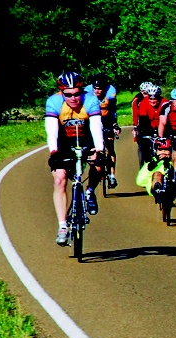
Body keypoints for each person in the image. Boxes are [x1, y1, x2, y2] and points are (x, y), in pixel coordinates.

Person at [45, 71, 104, 244]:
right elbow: (52, 131)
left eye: (77, 93)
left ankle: (90, 190)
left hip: (87, 137)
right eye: (68, 94)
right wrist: (54, 152)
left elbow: (96, 128)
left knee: (99, 165)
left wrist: (99, 149)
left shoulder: (91, 100)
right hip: (64, 141)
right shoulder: (54, 102)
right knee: (59, 179)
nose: (73, 98)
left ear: (82, 91)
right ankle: (62, 225)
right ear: (62, 93)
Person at [86, 73, 119, 188]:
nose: (97, 91)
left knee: (110, 148)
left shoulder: (111, 91)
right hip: (93, 120)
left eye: (100, 89)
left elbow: (113, 109)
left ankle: (112, 175)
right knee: (92, 148)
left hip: (107, 119)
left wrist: (114, 124)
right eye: (95, 89)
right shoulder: (87, 91)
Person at [133, 84, 165, 174]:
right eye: (150, 98)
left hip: (162, 126)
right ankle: (145, 166)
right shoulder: (144, 103)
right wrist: (142, 133)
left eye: (155, 98)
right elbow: (143, 120)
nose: (153, 101)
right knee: (144, 145)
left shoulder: (165, 103)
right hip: (148, 126)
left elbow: (167, 120)